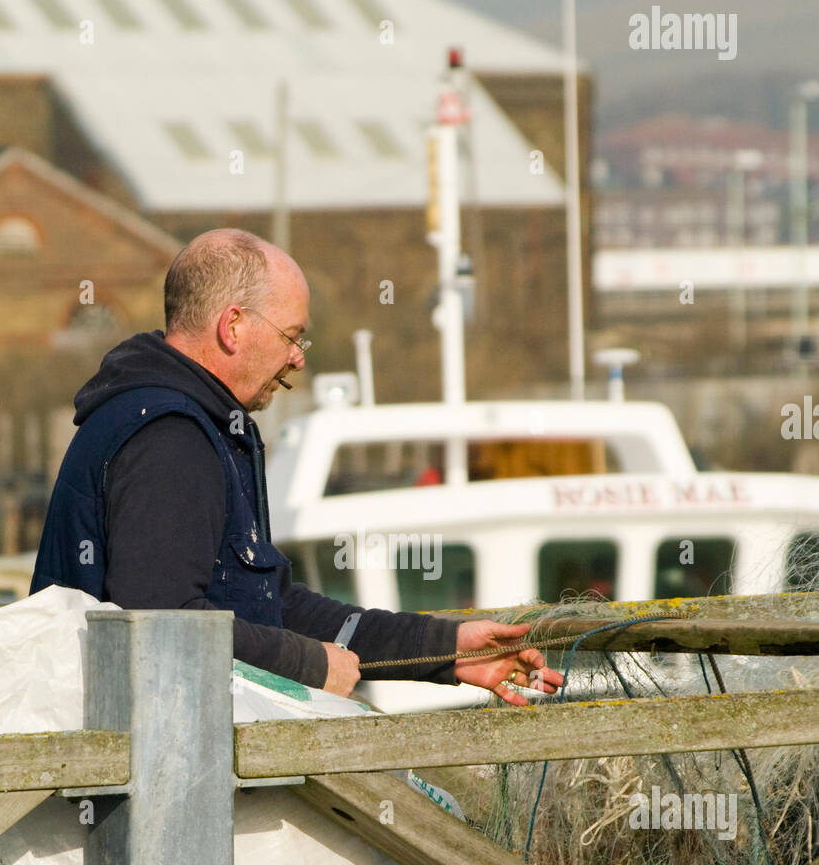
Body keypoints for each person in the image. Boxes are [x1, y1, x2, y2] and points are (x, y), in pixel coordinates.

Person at [32, 229, 562, 705]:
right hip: (155, 789)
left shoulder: (192, 421)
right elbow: (160, 621)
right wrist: (305, 664)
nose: (299, 357)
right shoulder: (170, 436)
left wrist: (446, 649)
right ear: (233, 326)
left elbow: (275, 607)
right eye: (291, 335)